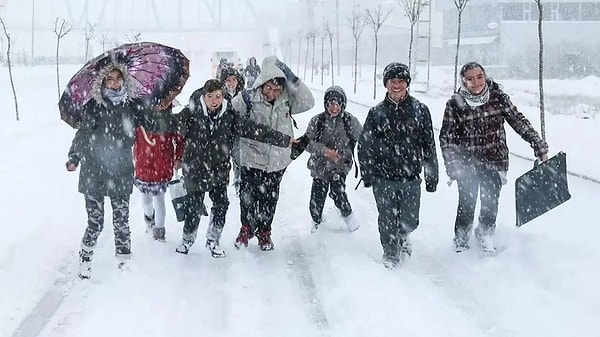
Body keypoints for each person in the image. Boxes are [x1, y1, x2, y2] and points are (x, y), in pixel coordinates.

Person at [174, 79, 295, 257]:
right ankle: (187, 240)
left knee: (221, 205)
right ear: (203, 97)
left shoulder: (229, 116)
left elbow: (254, 130)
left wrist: (284, 139)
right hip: (195, 169)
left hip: (219, 170)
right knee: (194, 207)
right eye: (210, 97)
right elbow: (172, 124)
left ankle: (213, 240)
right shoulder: (191, 113)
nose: (214, 101)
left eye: (218, 96)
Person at [439, 61, 549, 253]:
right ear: (463, 82)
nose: (476, 83)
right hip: (467, 166)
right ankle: (461, 241)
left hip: (494, 161)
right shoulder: (455, 104)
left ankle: (485, 235)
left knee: (490, 203)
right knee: (467, 204)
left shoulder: (498, 98)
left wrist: (537, 144)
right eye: (470, 79)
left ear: (485, 76)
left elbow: (518, 121)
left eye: (479, 77)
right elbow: (446, 138)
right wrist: (453, 165)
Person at [66, 64, 154, 279]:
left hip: (121, 169)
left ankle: (124, 260)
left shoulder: (132, 107)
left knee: (121, 219)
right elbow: (82, 137)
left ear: (124, 80)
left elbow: (151, 125)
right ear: (102, 83)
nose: (114, 83)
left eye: (118, 79)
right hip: (94, 170)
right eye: (109, 80)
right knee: (95, 222)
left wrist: (145, 109)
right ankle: (85, 258)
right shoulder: (93, 107)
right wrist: (73, 158)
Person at [357, 62, 439, 269]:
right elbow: (365, 144)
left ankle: (402, 237)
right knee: (386, 219)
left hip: (411, 177)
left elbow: (429, 145)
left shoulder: (420, 110)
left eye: (401, 81)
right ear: (386, 84)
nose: (397, 85)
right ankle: (390, 252)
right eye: (392, 81)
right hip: (383, 177)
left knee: (411, 220)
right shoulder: (376, 113)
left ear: (407, 83)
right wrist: (367, 173)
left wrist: (432, 174)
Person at [232, 56, 315, 251]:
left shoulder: (286, 101)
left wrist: (292, 78)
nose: (272, 93)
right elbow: (230, 116)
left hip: (277, 161)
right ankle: (246, 227)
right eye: (269, 88)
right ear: (262, 83)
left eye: (277, 90)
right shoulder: (247, 98)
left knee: (269, 198)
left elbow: (308, 101)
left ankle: (264, 231)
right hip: (251, 158)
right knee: (247, 196)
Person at [304, 86, 362, 233]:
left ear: (343, 104)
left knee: (338, 192)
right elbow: (306, 143)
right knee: (316, 199)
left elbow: (365, 140)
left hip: (340, 167)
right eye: (330, 104)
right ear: (325, 104)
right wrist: (324, 151)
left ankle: (350, 219)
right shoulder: (317, 121)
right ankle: (316, 223)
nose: (334, 108)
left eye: (337, 104)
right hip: (320, 167)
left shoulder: (350, 122)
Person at [133, 104, 184, 241]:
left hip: (158, 165)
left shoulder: (169, 119)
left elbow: (179, 140)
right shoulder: (138, 118)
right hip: (146, 165)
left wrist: (179, 157)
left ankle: (157, 231)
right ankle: (151, 221)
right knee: (148, 200)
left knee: (157, 200)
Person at [220, 66, 246, 196]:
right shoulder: (219, 95)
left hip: (238, 133)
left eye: (234, 79)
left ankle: (238, 183)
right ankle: (222, 185)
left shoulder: (243, 95)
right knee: (223, 161)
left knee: (238, 160)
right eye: (228, 80)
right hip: (223, 134)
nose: (231, 83)